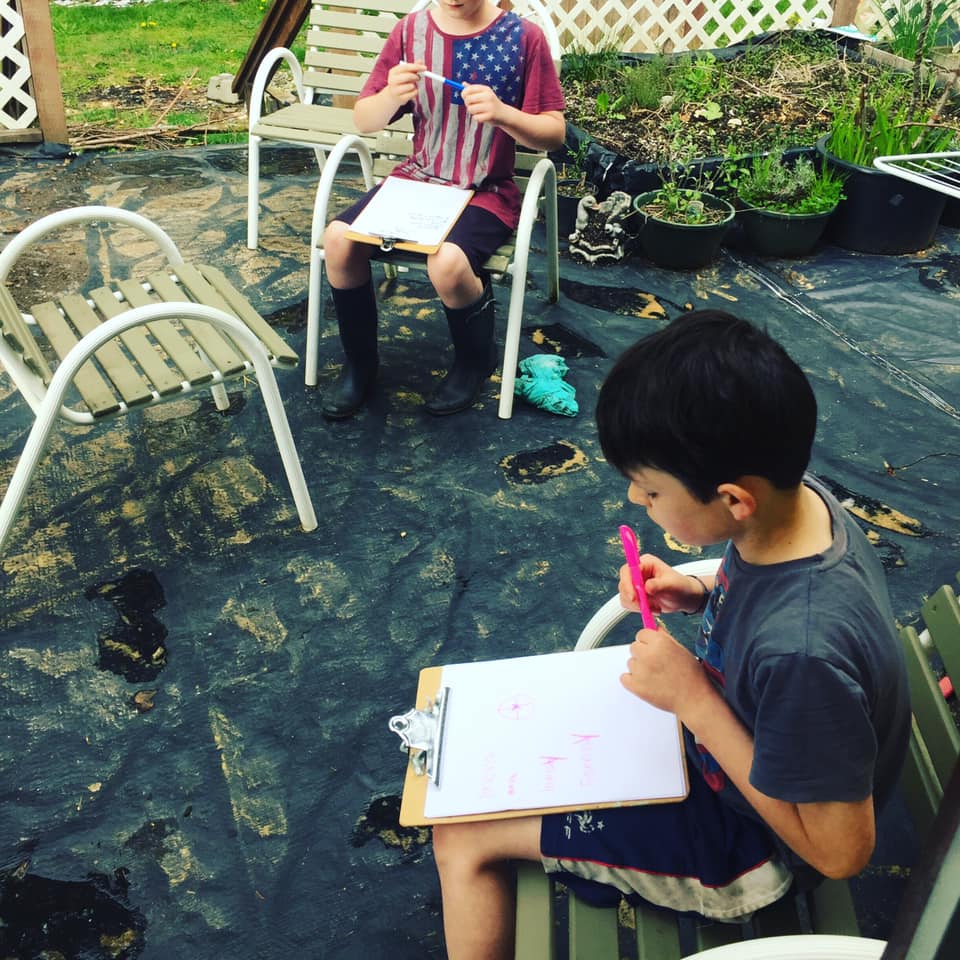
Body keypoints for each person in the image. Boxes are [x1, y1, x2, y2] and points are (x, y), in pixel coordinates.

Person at [431, 310, 911, 959]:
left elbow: (840, 854)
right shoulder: (801, 505)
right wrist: (696, 591)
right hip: (716, 754)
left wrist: (694, 700)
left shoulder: (802, 655)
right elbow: (771, 597)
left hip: (746, 846)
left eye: (651, 490)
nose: (637, 501)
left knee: (461, 834)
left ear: (734, 499)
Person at [320, 0, 565, 420]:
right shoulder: (409, 32)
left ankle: (474, 361)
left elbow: (554, 133)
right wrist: (390, 96)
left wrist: (505, 114)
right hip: (418, 180)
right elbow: (364, 120)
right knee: (338, 240)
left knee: (447, 262)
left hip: (484, 189)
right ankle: (360, 362)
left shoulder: (524, 38)